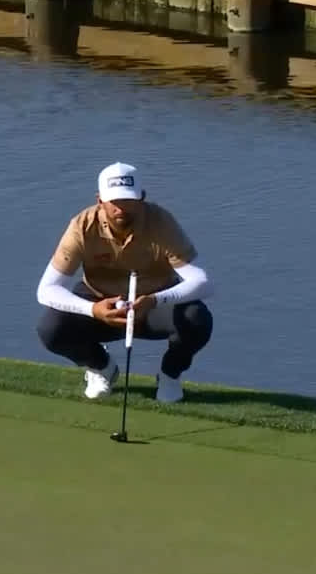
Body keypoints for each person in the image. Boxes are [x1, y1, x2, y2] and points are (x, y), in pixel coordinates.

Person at [35, 162, 215, 403]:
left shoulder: (161, 222)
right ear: (100, 200)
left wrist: (154, 300)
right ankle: (102, 367)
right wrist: (93, 310)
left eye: (129, 201)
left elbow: (203, 282)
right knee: (51, 328)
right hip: (101, 305)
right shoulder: (82, 226)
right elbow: (46, 290)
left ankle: (169, 375)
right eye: (114, 202)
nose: (122, 208)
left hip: (153, 307)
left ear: (142, 198)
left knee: (197, 320)